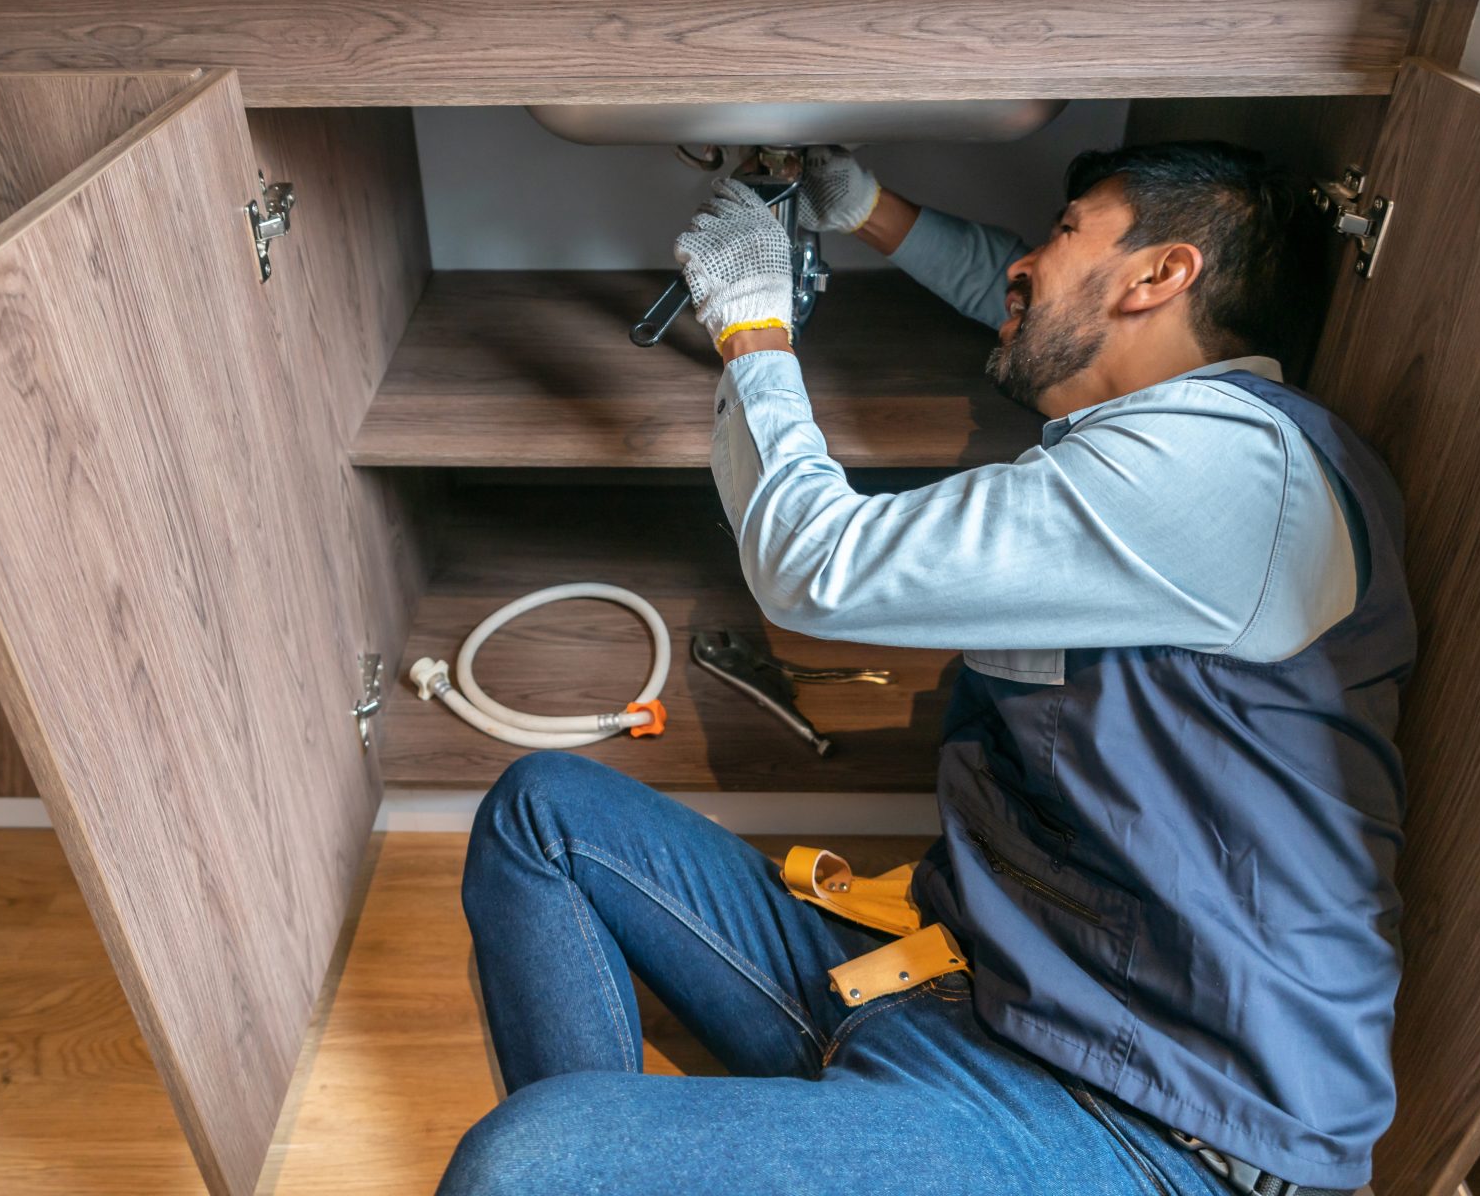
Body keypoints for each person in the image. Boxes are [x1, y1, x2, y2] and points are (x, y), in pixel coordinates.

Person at [439, 143, 1414, 1196]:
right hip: (973, 990)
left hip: (1142, 1122)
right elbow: (1010, 291)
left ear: (1157, 276)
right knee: (542, 815)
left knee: (521, 1164)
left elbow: (816, 566)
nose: (1022, 260)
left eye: (1064, 227)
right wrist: (866, 207)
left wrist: (755, 331)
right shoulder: (1174, 449)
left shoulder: (1230, 472)